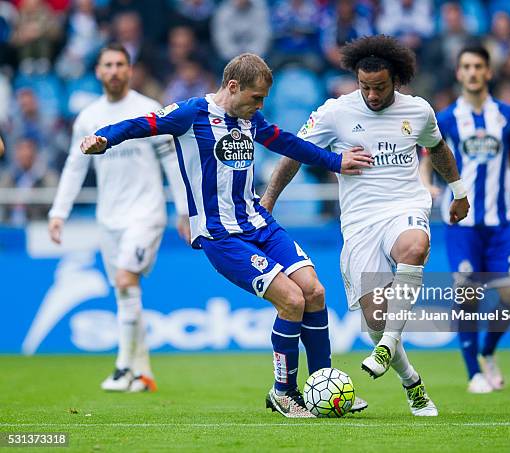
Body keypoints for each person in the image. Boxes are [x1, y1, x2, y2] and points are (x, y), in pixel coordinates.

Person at [80, 53, 373, 418]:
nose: (260, 106)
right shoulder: (190, 114)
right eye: (256, 98)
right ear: (233, 87)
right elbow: (143, 123)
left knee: (314, 290)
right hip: (220, 235)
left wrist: (336, 160)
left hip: (257, 222)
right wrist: (104, 139)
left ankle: (323, 387)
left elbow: (287, 143)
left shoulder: (250, 119)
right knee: (292, 300)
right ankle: (283, 393)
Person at [261, 35, 469, 417]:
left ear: (397, 81)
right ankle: (412, 383)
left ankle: (388, 344)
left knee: (415, 246)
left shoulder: (418, 110)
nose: (372, 95)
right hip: (358, 223)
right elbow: (294, 153)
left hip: (405, 205)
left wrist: (457, 191)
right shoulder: (335, 112)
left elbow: (437, 148)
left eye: (380, 87)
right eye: (365, 87)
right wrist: (270, 199)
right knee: (375, 317)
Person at [48, 44, 190, 393]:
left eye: (120, 64)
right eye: (107, 65)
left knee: (126, 282)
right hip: (108, 218)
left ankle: (124, 368)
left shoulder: (148, 110)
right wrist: (58, 212)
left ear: (130, 70)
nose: (113, 70)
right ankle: (143, 374)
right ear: (97, 71)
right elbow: (73, 166)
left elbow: (172, 162)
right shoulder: (88, 117)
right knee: (126, 294)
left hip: (146, 213)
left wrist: (186, 211)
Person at [420, 45, 510, 393]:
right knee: (467, 291)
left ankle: (488, 351)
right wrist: (427, 184)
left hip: (499, 221)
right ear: (458, 73)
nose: (472, 72)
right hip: (462, 223)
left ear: (488, 72)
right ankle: (473, 373)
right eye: (466, 66)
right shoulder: (447, 118)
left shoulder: (507, 115)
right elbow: (429, 157)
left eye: (478, 66)